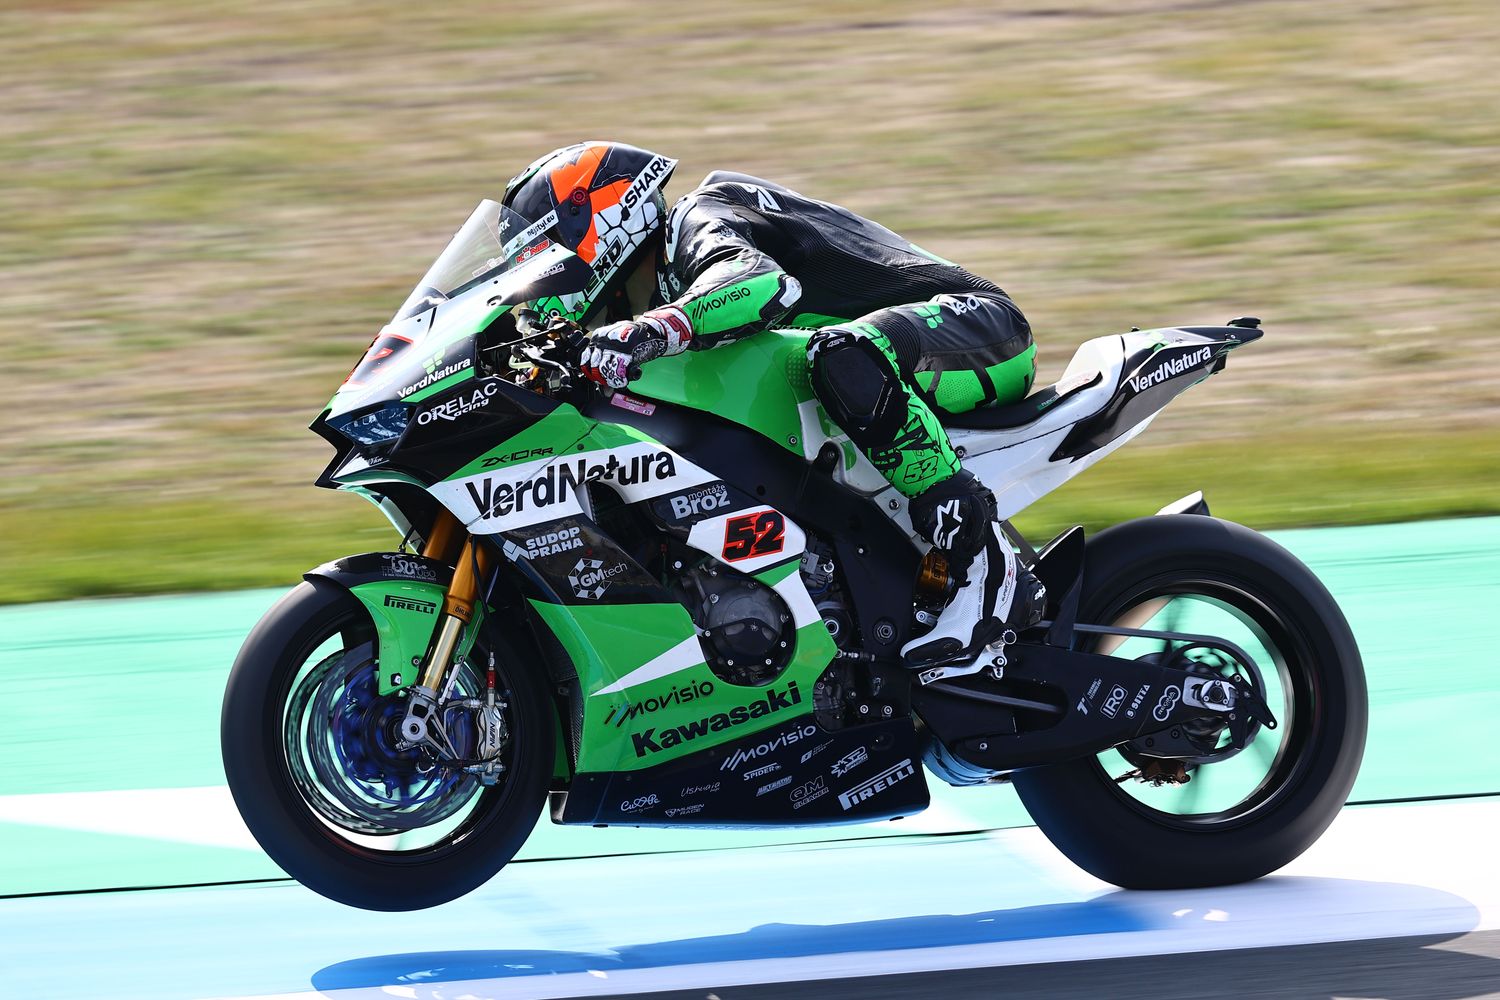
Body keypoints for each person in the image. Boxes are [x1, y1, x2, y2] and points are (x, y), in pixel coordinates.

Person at [503, 141, 1045, 669]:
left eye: (542, 251)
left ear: (600, 215)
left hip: (976, 330)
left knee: (843, 353)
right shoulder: (643, 300)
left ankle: (984, 558)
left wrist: (649, 331)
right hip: (881, 379)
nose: (536, 276)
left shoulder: (697, 217)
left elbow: (761, 283)